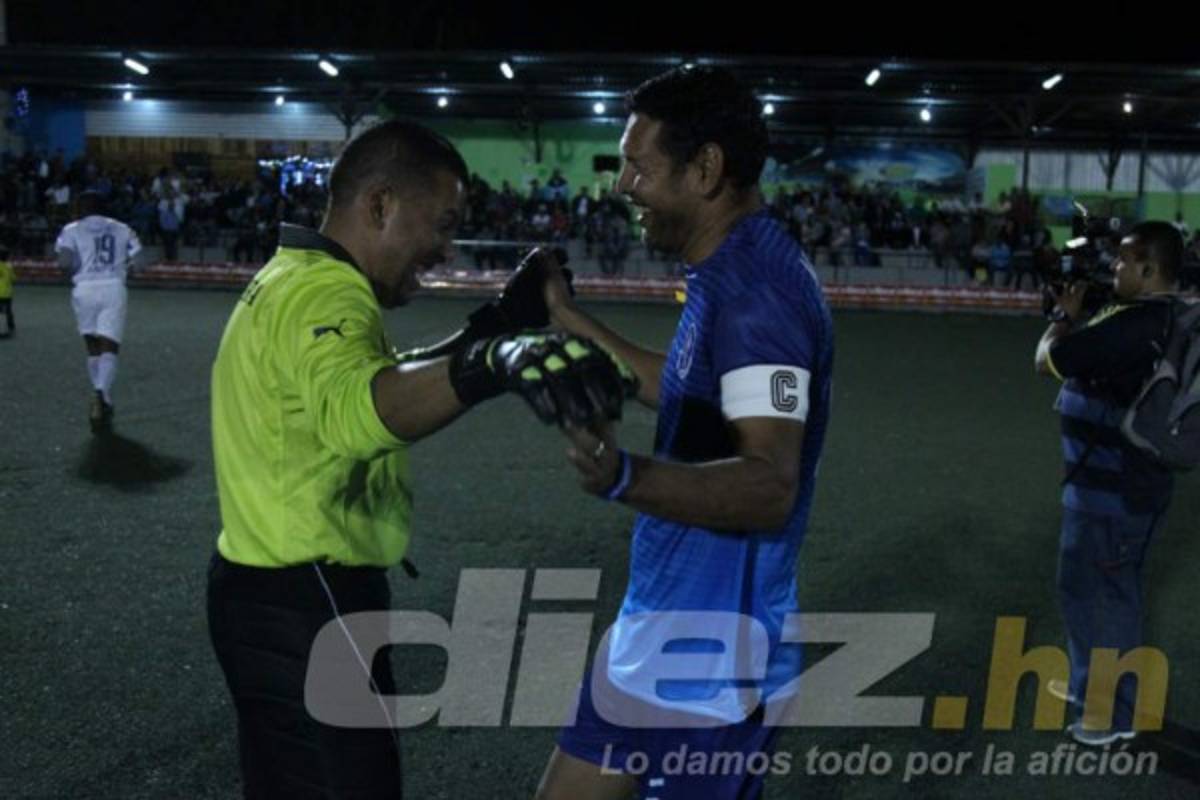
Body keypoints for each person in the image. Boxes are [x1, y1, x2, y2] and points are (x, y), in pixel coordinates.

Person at [206, 119, 631, 800]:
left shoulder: (293, 275)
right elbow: (358, 410)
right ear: (381, 204)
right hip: (308, 600)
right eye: (442, 224)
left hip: (262, 591)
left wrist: (495, 326)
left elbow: (380, 375)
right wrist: (492, 362)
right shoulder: (324, 292)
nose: (444, 248)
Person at [535, 66, 834, 800]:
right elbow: (684, 388)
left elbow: (768, 487)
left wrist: (622, 476)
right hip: (657, 631)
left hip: (712, 669)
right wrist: (566, 318)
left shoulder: (758, 298)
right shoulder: (727, 271)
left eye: (639, 167)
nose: (622, 185)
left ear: (705, 169)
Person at [1034, 221, 1183, 746]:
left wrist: (1061, 319)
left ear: (1149, 269)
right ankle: (1093, 692)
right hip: (1126, 487)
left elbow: (1048, 360)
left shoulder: (1134, 325)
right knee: (1097, 592)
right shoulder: (1163, 317)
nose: (1113, 268)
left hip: (1112, 492)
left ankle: (1111, 715)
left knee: (1103, 598)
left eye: (1122, 261)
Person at [54, 190, 143, 433]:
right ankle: (102, 393)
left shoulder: (71, 230)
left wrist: (75, 271)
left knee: (92, 345)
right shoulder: (123, 228)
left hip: (84, 289)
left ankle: (101, 395)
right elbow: (139, 261)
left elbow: (64, 263)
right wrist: (129, 270)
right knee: (110, 345)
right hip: (113, 287)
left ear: (82, 208)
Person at [0, 247, 14, 336]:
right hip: (7, 293)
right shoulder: (9, 266)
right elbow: (13, 278)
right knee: (8, 311)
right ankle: (10, 327)